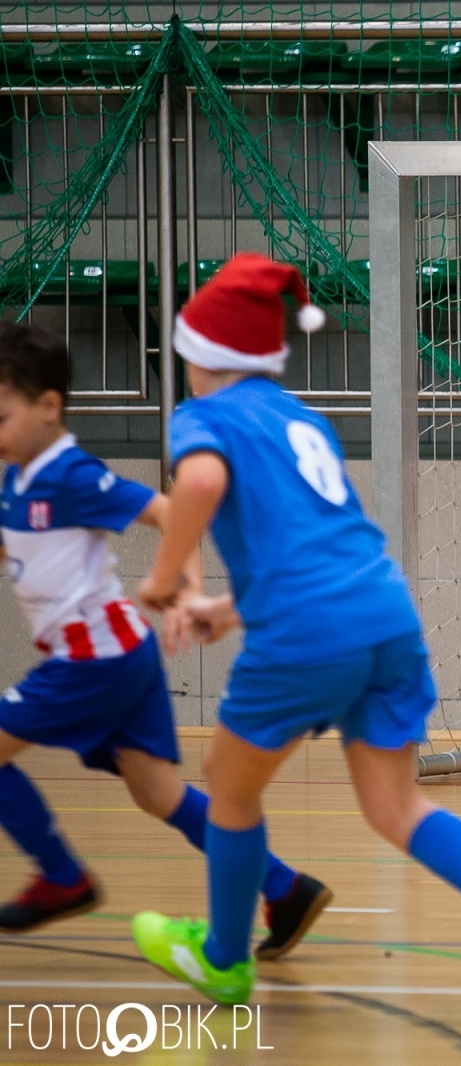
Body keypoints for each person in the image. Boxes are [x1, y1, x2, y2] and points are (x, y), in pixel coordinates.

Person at [127, 253, 461, 1017]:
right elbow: (317, 550)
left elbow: (199, 484)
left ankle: (224, 960)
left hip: (307, 634)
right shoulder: (302, 418)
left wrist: (165, 578)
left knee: (228, 786)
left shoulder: (203, 417)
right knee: (396, 807)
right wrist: (229, 610)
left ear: (200, 355)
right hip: (382, 613)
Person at [0, 320, 328, 959]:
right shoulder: (17, 480)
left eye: (2, 417)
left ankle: (62, 878)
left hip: (95, 659)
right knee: (159, 795)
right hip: (121, 656)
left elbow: (171, 511)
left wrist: (188, 589)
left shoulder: (71, 474)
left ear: (49, 406)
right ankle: (285, 888)